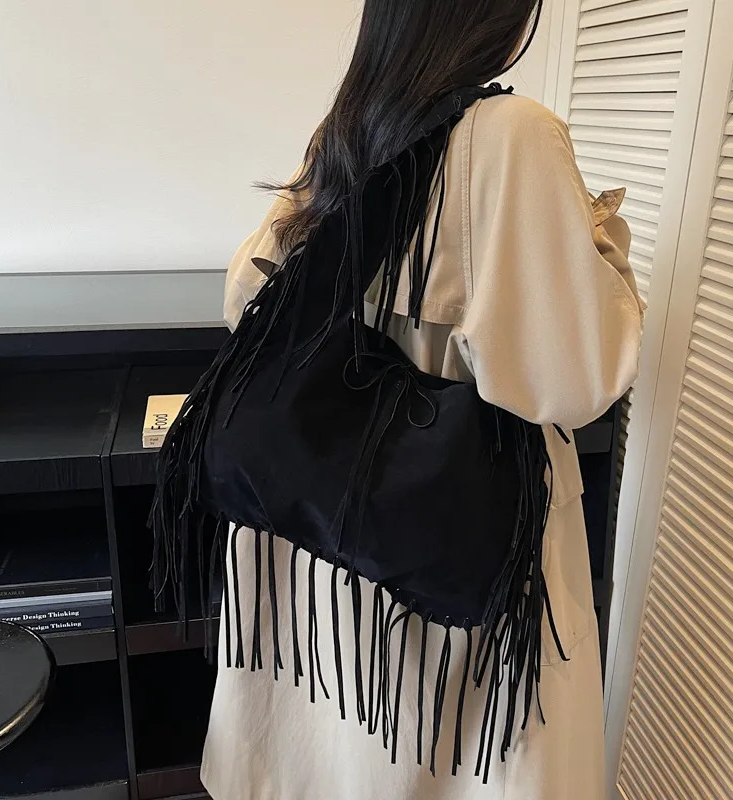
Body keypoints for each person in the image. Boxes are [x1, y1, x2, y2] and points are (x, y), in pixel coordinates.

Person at [199, 1, 644, 798]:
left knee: (332, 762)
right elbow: (575, 378)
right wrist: (603, 245)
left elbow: (246, 300)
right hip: (451, 544)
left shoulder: (350, 129)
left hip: (324, 550)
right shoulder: (514, 136)